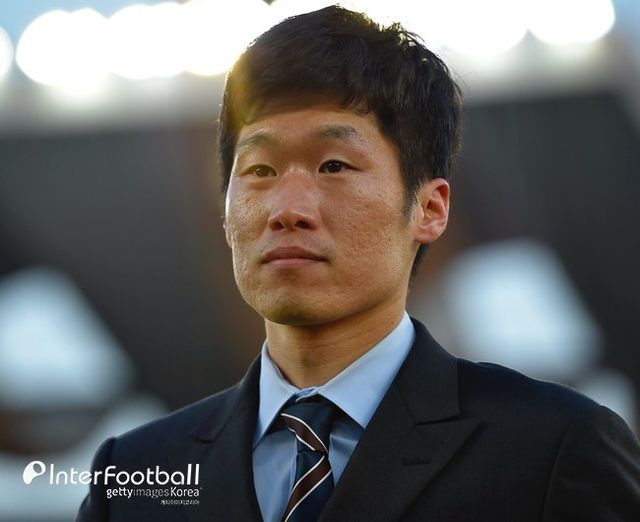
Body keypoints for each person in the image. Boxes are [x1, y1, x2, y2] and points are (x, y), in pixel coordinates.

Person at [77, 5, 640, 521]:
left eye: (335, 166)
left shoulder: (553, 448)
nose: (287, 210)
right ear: (224, 212)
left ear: (429, 209)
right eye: (259, 171)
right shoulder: (135, 471)